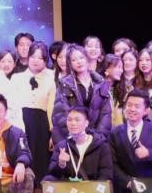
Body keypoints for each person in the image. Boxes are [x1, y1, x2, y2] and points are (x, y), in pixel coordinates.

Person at [53, 43, 112, 146]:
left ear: (86, 59)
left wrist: (97, 137)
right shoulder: (64, 84)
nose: (79, 62)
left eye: (81, 57)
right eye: (74, 60)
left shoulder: (100, 82)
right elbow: (60, 114)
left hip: (96, 139)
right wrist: (77, 135)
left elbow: (105, 114)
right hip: (72, 137)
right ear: (69, 63)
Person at [13, 42, 56, 183]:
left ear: (46, 60)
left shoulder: (52, 78)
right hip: (21, 121)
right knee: (23, 157)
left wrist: (53, 133)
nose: (35, 61)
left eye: (40, 58)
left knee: (41, 160)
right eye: (32, 56)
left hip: (42, 124)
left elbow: (52, 107)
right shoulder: (17, 78)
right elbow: (12, 104)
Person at [44, 106, 114, 183]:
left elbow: (106, 175)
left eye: (77, 120)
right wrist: (61, 164)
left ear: (86, 123)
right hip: (68, 188)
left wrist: (92, 186)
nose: (73, 123)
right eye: (69, 120)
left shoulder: (101, 145)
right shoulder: (62, 146)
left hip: (92, 188)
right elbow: (52, 174)